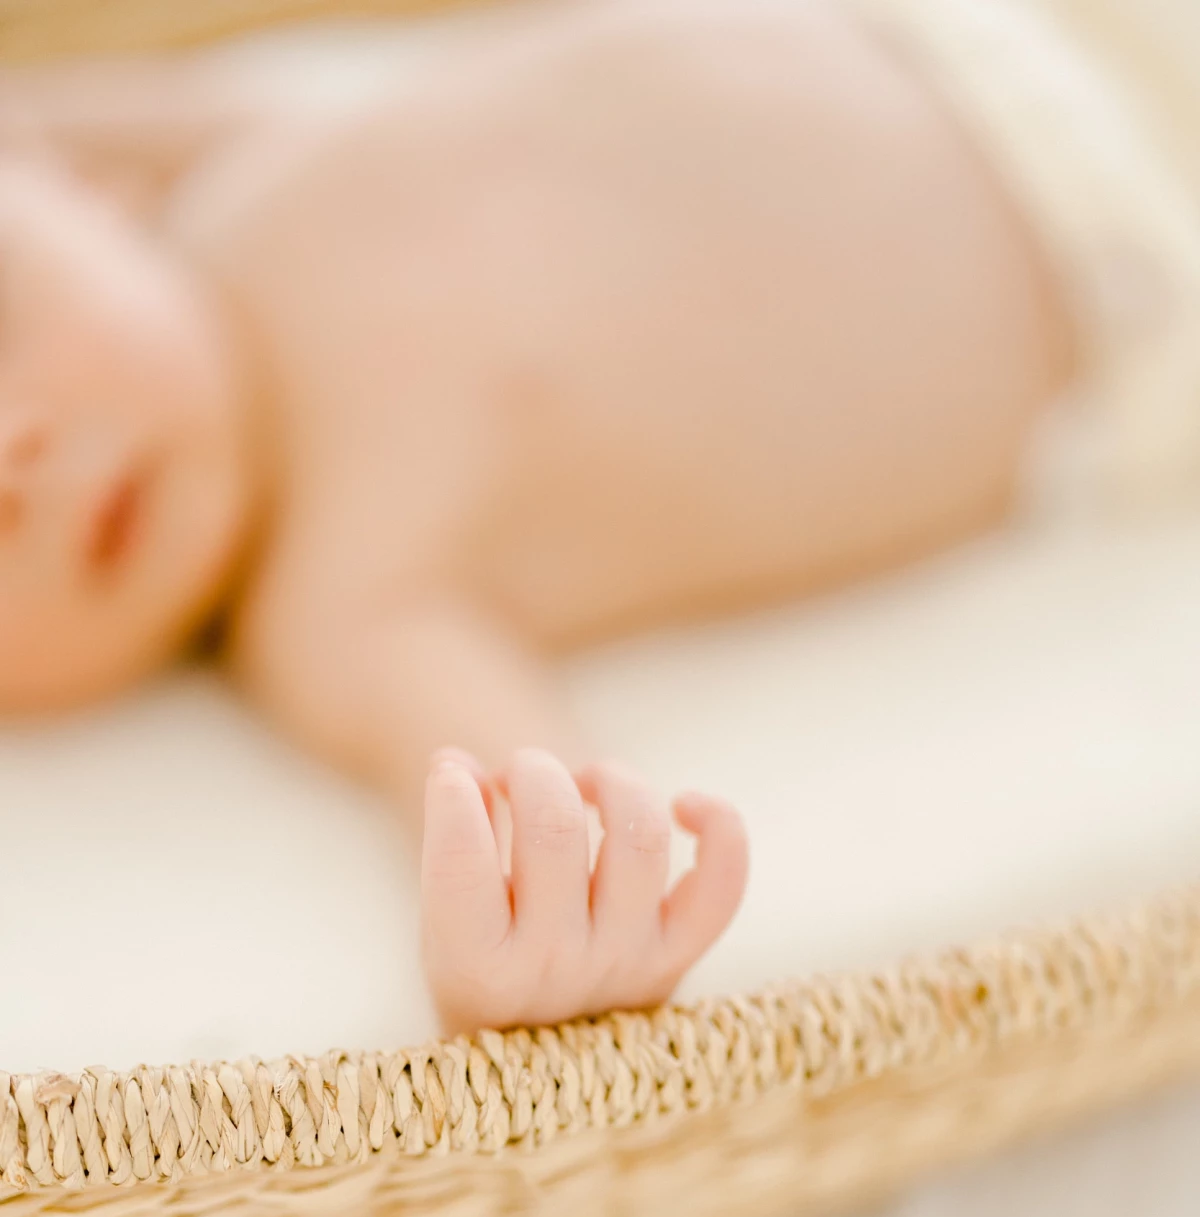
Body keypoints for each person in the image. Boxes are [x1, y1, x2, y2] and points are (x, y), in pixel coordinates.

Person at [0, 1, 1089, 1031]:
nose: (16, 460)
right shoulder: (336, 603)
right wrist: (535, 946)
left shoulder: (246, 167)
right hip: (1109, 262)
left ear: (88, 189)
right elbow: (517, 793)